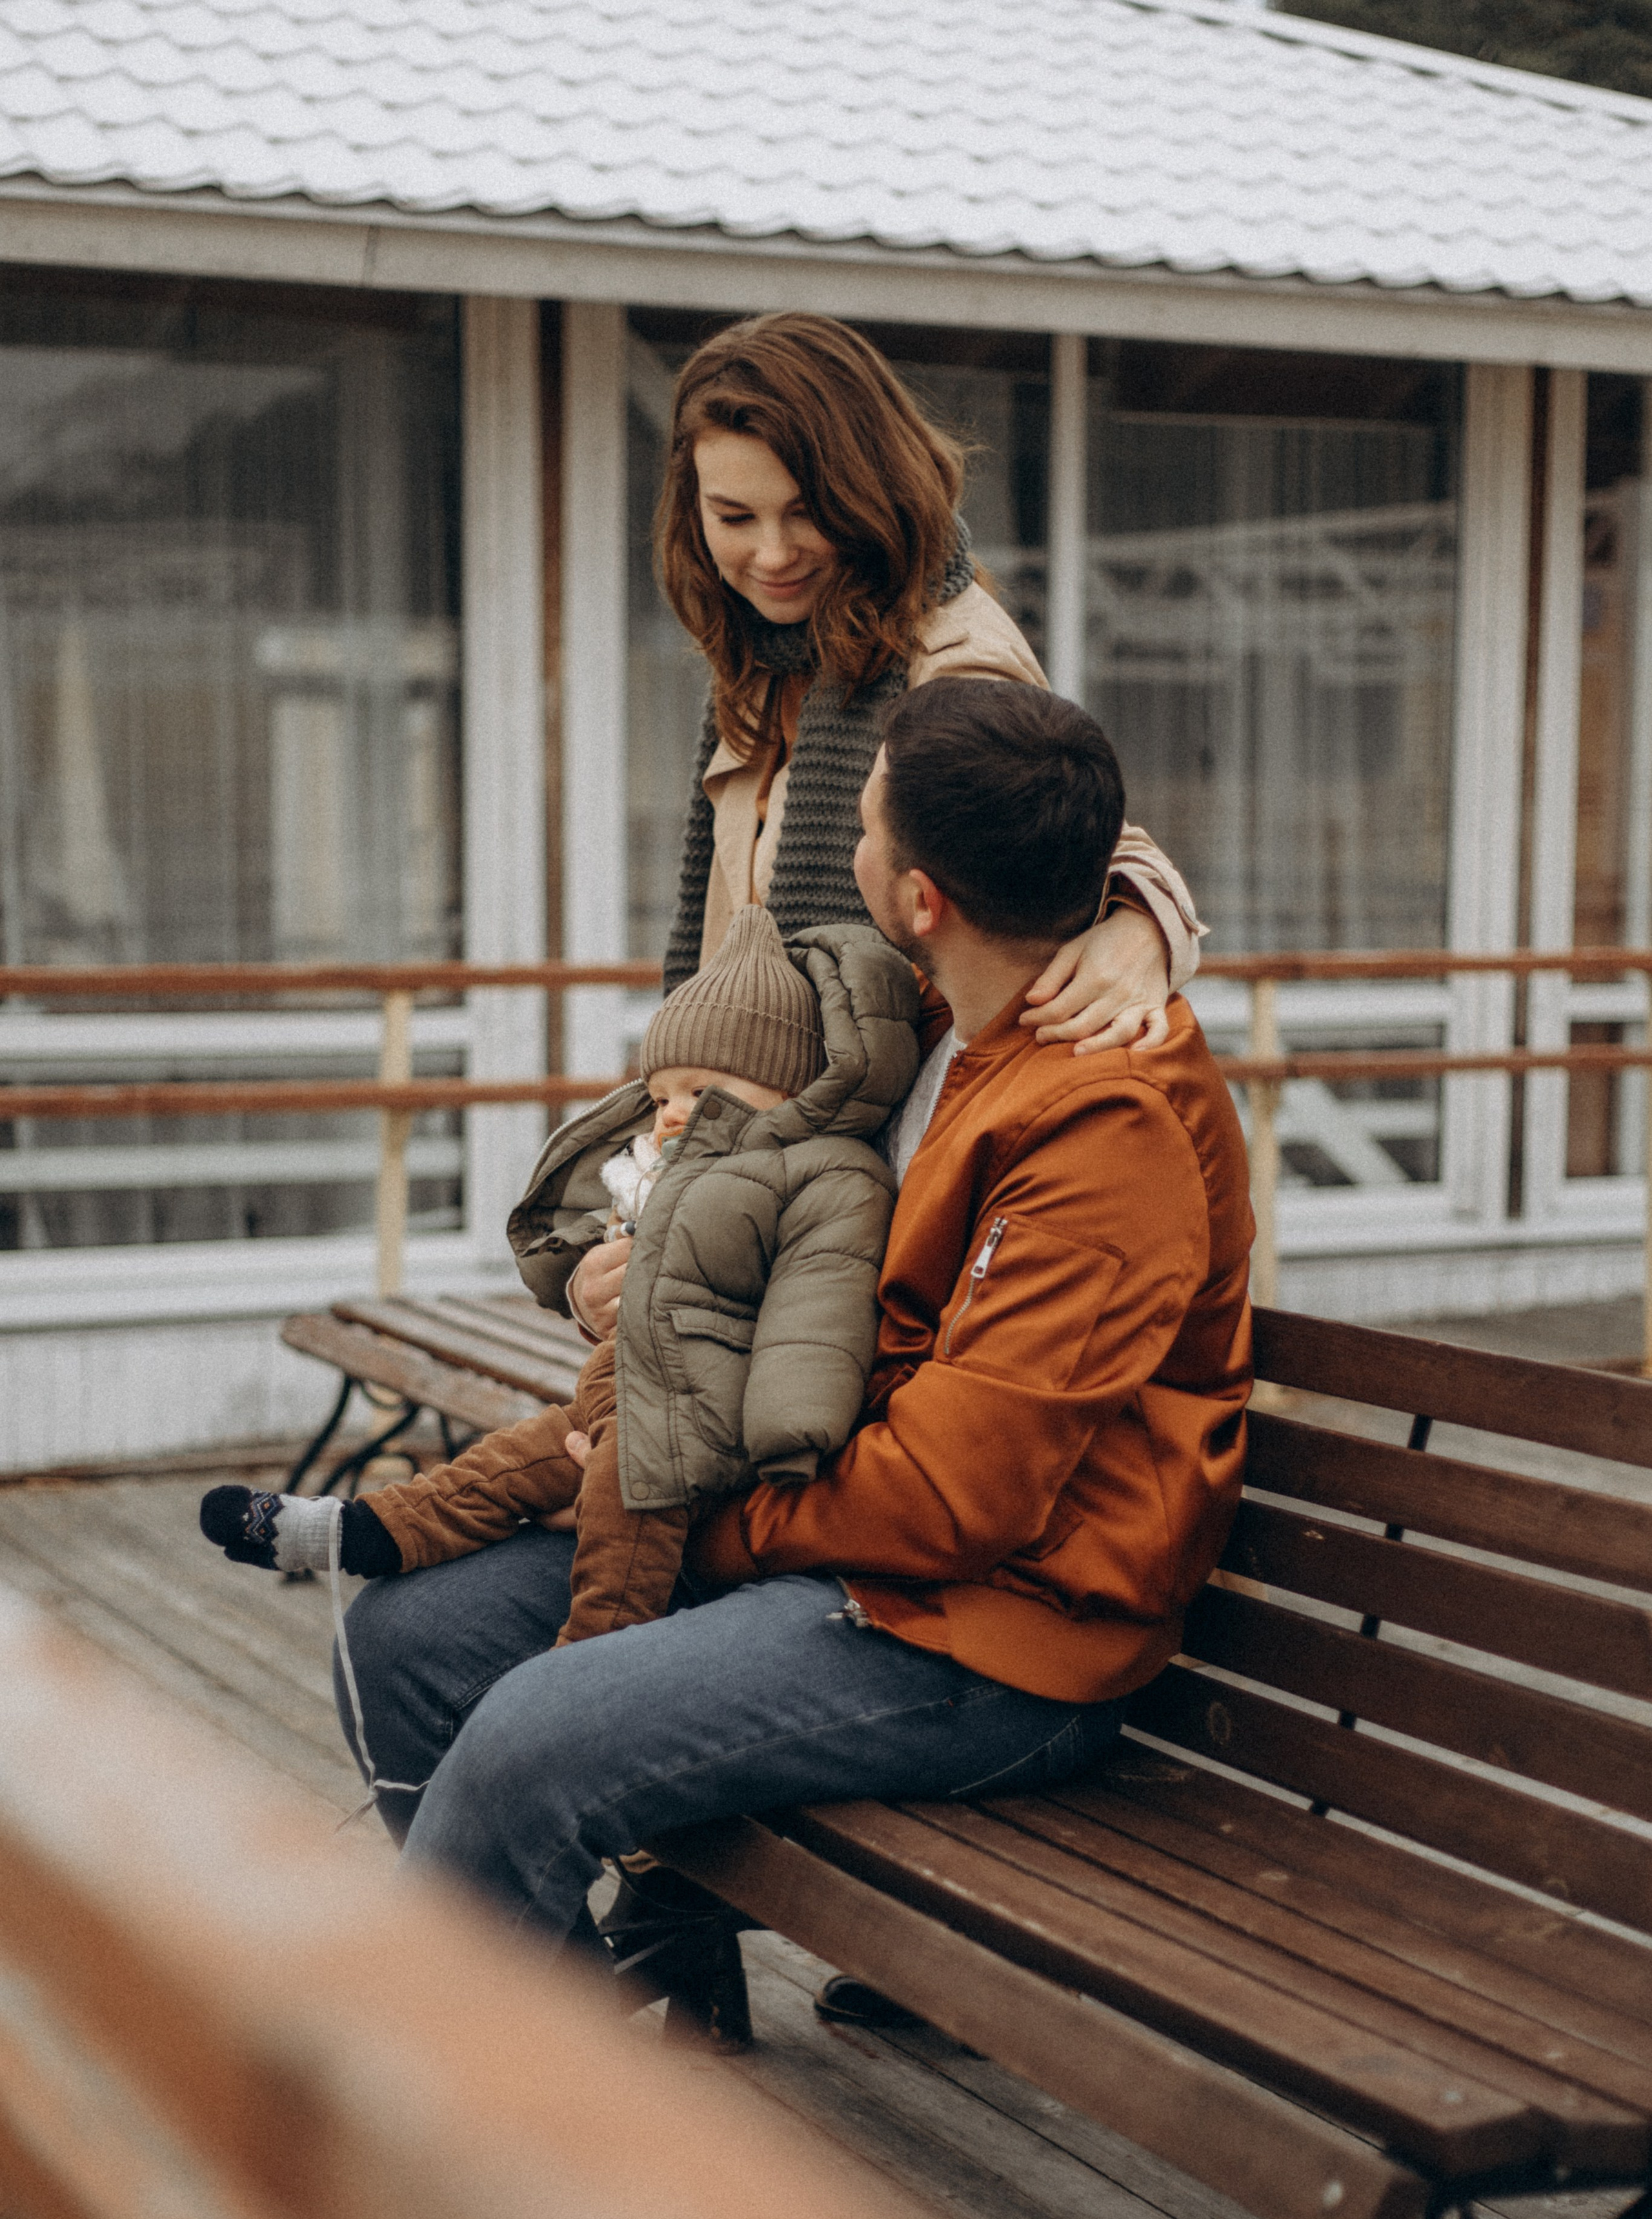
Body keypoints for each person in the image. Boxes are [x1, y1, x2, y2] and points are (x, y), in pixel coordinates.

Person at [336, 677, 1252, 1988]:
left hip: (992, 1640)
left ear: (921, 894)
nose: (847, 850)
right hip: (831, 1531)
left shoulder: (1104, 1126)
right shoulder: (929, 1017)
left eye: (868, 830)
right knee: (407, 1639)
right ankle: (561, 2077)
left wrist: (677, 1513)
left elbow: (950, 1499)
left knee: (530, 1736)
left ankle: (487, 2133)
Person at [567, 311, 1205, 1358]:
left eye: (807, 513)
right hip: (770, 1188)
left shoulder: (951, 658)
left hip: (870, 1225)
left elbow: (1059, 825)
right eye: (734, 515)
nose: (771, 552)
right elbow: (730, 998)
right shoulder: (769, 658)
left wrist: (1141, 917)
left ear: (869, 493)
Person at [199, 905, 920, 1649]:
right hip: (621, 1396)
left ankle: (584, 1664)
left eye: (701, 1093)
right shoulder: (674, 1171)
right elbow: (598, 1240)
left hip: (705, 1418)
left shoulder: (828, 1173)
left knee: (623, 1526)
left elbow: (818, 1307)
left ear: (786, 1081)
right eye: (662, 1094)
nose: (674, 1114)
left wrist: (790, 1432)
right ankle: (354, 1532)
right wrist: (578, 1275)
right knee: (501, 1466)